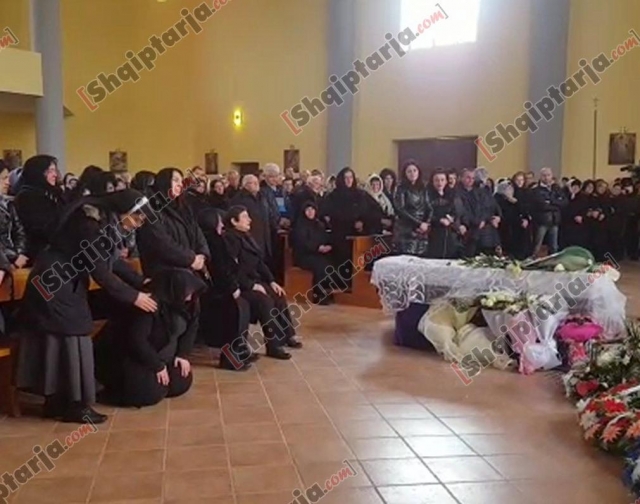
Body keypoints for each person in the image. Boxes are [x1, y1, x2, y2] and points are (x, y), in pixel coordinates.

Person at [17, 189, 157, 424]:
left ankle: (57, 402)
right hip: (54, 281)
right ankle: (75, 405)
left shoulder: (105, 220)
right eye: (137, 219)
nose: (137, 225)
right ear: (124, 211)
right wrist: (134, 296)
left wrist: (140, 281)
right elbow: (100, 270)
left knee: (63, 336)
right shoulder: (89, 222)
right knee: (73, 334)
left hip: (62, 280)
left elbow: (112, 260)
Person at [95, 268, 204, 407]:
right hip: (135, 358)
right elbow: (136, 340)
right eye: (187, 291)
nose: (190, 296)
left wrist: (182, 354)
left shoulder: (190, 304)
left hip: (163, 355)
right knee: (150, 392)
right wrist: (157, 365)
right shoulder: (150, 304)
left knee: (181, 381)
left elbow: (191, 329)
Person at [224, 206, 301, 360]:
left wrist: (272, 281)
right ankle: (273, 345)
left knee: (278, 295)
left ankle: (287, 335)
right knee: (265, 301)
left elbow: (259, 263)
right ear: (234, 221)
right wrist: (252, 286)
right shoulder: (230, 239)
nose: (249, 220)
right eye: (245, 217)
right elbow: (232, 269)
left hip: (254, 279)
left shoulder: (247, 236)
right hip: (241, 284)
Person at [197, 208, 253, 371]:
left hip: (216, 288)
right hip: (217, 291)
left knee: (243, 307)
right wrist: (233, 288)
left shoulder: (212, 239)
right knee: (237, 310)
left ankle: (240, 351)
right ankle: (231, 358)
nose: (222, 224)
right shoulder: (214, 242)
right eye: (219, 221)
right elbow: (222, 270)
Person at [137, 168, 210, 279]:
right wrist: (191, 259)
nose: (180, 184)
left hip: (190, 268)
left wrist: (202, 254)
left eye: (181, 181)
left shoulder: (183, 206)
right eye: (175, 180)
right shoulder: (151, 207)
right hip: (166, 272)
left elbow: (197, 231)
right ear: (164, 182)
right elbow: (161, 242)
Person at [322, 167, 382, 279]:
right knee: (343, 266)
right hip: (341, 236)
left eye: (351, 177)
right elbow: (328, 214)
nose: (349, 180)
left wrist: (363, 222)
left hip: (359, 236)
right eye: (346, 178)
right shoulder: (333, 196)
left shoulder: (361, 195)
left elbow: (376, 211)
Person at [14, 155, 64, 260]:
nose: (55, 175)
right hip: (39, 254)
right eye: (50, 171)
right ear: (38, 172)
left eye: (55, 170)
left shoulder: (54, 193)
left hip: (57, 250)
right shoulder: (27, 196)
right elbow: (39, 228)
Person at [291, 202, 339, 305]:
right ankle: (318, 294)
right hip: (303, 256)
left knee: (330, 262)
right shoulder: (300, 225)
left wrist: (328, 246)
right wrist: (317, 248)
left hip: (317, 254)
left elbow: (325, 237)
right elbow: (302, 243)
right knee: (320, 265)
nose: (310, 212)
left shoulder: (319, 224)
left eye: (312, 209)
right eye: (308, 210)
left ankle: (327, 291)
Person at [457, 169, 501, 256]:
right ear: (461, 178)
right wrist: (473, 222)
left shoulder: (480, 192)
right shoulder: (457, 193)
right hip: (467, 230)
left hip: (483, 230)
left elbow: (489, 207)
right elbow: (461, 211)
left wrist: (486, 219)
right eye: (468, 178)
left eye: (473, 178)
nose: (471, 180)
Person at [393, 161, 433, 257]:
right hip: (406, 230)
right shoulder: (401, 188)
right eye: (409, 171)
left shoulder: (423, 188)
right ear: (405, 174)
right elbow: (400, 210)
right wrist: (419, 224)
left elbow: (429, 208)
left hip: (422, 231)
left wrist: (426, 223)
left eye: (415, 170)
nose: (412, 173)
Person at [230, 174, 274, 262]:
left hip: (265, 237)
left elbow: (270, 212)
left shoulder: (262, 196)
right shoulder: (239, 199)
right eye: (252, 182)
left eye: (257, 182)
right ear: (245, 185)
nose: (256, 184)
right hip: (250, 237)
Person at [427, 170, 465, 259]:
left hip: (450, 233)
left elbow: (457, 212)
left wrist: (451, 218)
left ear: (446, 181)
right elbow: (426, 213)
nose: (439, 183)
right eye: (436, 180)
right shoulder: (427, 195)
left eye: (442, 180)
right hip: (433, 233)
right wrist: (439, 220)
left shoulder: (452, 195)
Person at [530, 167, 566, 256]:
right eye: (544, 175)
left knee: (554, 246)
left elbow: (564, 202)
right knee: (537, 245)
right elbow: (542, 205)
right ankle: (533, 259)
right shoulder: (536, 190)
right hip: (542, 221)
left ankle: (553, 261)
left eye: (548, 175)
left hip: (555, 220)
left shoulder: (556, 188)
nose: (546, 177)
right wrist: (556, 204)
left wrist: (551, 201)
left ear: (552, 176)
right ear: (540, 177)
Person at [0, 164, 28, 268]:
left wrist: (19, 253)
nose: (8, 182)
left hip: (14, 258)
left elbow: (19, 230)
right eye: (4, 178)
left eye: (8, 178)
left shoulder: (9, 203)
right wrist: (13, 257)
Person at [495, 180, 531, 259]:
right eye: (508, 189)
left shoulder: (515, 199)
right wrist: (520, 221)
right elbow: (505, 215)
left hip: (517, 224)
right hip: (506, 226)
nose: (510, 191)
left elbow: (523, 211)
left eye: (511, 189)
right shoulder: (498, 199)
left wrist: (517, 203)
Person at [560, 179, 589, 249]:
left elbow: (586, 209)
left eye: (577, 187)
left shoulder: (584, 197)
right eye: (573, 186)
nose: (575, 189)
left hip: (578, 225)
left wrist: (582, 216)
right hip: (566, 224)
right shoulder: (565, 196)